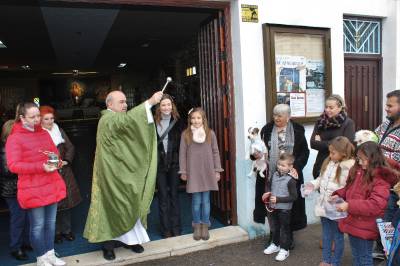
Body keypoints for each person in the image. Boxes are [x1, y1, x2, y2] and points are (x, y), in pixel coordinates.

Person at [83, 90, 163, 261]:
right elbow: (126, 122)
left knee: (131, 202)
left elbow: (131, 134)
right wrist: (149, 102)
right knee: (110, 207)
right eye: (121, 102)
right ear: (109, 104)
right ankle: (108, 246)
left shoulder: (118, 118)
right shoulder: (107, 119)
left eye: (126, 101)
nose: (125, 104)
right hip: (110, 175)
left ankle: (131, 241)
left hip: (124, 172)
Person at [6, 102, 66, 266]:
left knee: (50, 224)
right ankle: (41, 258)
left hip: (50, 183)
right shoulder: (15, 138)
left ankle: (51, 254)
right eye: (32, 117)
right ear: (22, 118)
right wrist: (40, 167)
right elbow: (13, 165)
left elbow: (54, 154)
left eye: (38, 116)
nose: (36, 119)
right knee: (38, 226)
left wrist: (58, 162)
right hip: (32, 187)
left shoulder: (44, 133)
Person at [332, 141, 399, 266]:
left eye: (363, 159)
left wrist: (349, 205)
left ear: (373, 159)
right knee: (357, 256)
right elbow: (349, 189)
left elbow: (376, 205)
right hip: (352, 221)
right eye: (358, 159)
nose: (360, 162)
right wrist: (338, 194)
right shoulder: (358, 171)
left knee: (364, 259)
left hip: (366, 226)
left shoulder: (381, 179)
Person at [258, 104, 309, 249]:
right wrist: (257, 156)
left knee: (287, 207)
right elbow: (259, 150)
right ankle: (274, 237)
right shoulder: (267, 130)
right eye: (274, 115)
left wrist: (296, 167)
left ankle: (288, 237)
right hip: (271, 176)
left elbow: (305, 152)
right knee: (272, 206)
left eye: (280, 115)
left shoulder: (298, 131)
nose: (276, 118)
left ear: (288, 117)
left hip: (290, 176)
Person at [305, 136, 355, 266]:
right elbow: (321, 179)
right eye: (330, 152)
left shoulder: (348, 168)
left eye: (333, 153)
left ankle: (335, 262)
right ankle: (326, 261)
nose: (330, 155)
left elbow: (349, 188)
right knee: (326, 236)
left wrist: (341, 200)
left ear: (343, 153)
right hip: (323, 206)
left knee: (338, 237)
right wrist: (312, 185)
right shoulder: (328, 162)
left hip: (337, 208)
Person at [179, 107, 223, 241]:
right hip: (193, 172)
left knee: (206, 201)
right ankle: (196, 225)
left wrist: (217, 170)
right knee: (196, 201)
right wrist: (184, 171)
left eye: (198, 118)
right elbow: (182, 154)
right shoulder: (186, 134)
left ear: (203, 119)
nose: (196, 120)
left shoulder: (210, 134)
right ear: (189, 120)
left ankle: (205, 225)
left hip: (208, 171)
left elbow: (215, 152)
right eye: (193, 118)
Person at [40, 106, 82, 243]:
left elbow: (70, 147)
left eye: (52, 118)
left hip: (64, 171)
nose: (50, 121)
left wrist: (66, 160)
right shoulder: (38, 134)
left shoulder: (60, 130)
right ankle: (56, 233)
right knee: (53, 205)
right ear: (40, 119)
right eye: (46, 118)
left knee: (66, 203)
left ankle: (67, 230)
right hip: (48, 173)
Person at [373, 90, 400, 259]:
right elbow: (371, 143)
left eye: (390, 105)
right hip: (376, 185)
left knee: (388, 226)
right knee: (379, 222)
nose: (386, 108)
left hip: (392, 189)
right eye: (386, 105)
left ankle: (388, 255)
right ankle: (381, 251)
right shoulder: (384, 126)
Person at [0, 120, 31, 261]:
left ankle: (25, 243)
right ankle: (15, 247)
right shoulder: (5, 149)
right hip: (11, 189)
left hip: (20, 186)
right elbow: (9, 170)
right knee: (18, 218)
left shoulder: (14, 146)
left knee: (26, 216)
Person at [154, 94, 182, 238]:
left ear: (172, 106)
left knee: (174, 196)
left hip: (175, 163)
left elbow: (183, 145)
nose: (166, 107)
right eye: (163, 105)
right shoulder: (152, 123)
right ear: (159, 107)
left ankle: (176, 227)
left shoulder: (178, 122)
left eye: (169, 105)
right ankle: (166, 230)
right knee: (163, 197)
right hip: (159, 165)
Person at [262, 153, 298, 261]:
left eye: (283, 165)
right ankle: (275, 244)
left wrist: (278, 199)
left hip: (284, 210)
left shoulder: (291, 180)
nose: (280, 167)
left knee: (284, 229)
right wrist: (267, 193)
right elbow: (269, 184)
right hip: (273, 207)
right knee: (275, 227)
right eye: (279, 164)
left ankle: (284, 249)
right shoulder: (275, 175)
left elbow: (294, 197)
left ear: (290, 167)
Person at [311, 94, 355, 179]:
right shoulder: (320, 122)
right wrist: (336, 143)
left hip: (339, 166)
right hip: (321, 163)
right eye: (326, 107)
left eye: (331, 108)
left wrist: (321, 143)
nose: (327, 110)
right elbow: (313, 144)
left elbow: (346, 146)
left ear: (340, 108)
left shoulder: (348, 123)